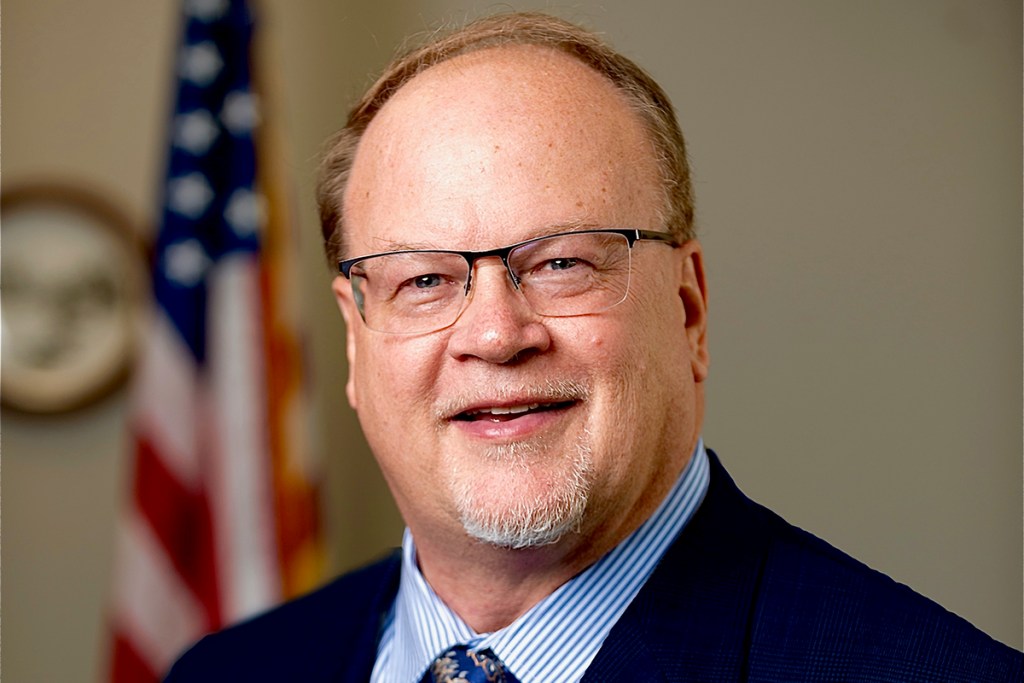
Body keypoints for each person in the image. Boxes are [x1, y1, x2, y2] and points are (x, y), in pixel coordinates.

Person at [166, 12, 1022, 682]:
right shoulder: (228, 673)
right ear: (355, 343)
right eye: (422, 280)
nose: (496, 335)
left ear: (688, 309)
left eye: (563, 262)